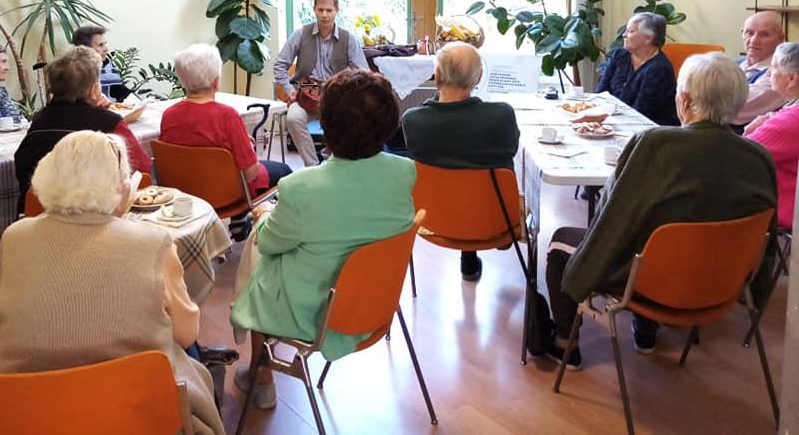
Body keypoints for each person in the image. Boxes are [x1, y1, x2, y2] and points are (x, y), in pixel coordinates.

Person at [545, 52, 776, 369]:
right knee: (661, 231)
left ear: (684, 100)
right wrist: (757, 293)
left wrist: (584, 272)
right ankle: (645, 332)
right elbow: (767, 241)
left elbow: (613, 218)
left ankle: (565, 345)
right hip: (721, 283)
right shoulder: (760, 158)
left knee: (565, 241)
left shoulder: (656, 144)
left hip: (649, 281)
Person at [0, 131, 224, 435]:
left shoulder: (14, 237)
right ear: (120, 185)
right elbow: (187, 333)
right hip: (133, 414)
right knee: (185, 353)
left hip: (22, 413)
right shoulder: (153, 242)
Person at [230, 69, 415, 409]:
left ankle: (262, 376)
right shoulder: (405, 171)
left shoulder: (301, 188)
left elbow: (270, 244)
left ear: (325, 124)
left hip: (316, 315)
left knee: (260, 257)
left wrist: (264, 215)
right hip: (377, 299)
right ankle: (261, 373)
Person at [402, 42, 519, 282]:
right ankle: (475, 251)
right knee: (489, 165)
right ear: (479, 77)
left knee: (450, 166)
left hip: (434, 219)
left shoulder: (412, 121)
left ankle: (469, 256)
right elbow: (511, 149)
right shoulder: (501, 115)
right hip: (495, 218)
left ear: (437, 76)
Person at [14, 46, 152, 210]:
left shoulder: (39, 121)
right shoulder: (109, 123)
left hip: (39, 214)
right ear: (93, 90)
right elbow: (142, 170)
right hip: (93, 216)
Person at [160, 43, 292, 193]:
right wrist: (248, 146)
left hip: (187, 192)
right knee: (284, 171)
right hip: (228, 193)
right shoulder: (227, 116)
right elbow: (250, 173)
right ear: (216, 82)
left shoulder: (169, 115)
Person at [273, 0, 369, 166]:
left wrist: (349, 94)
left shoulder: (348, 38)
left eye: (329, 10)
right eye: (320, 10)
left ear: (337, 11)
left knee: (350, 118)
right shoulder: (301, 34)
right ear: (314, 10)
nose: (324, 15)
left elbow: (363, 73)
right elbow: (279, 64)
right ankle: (312, 165)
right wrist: (289, 90)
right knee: (293, 118)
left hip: (336, 96)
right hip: (305, 95)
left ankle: (332, 161)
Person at [746, 41, 799, 230]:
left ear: (792, 78)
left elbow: (737, 156)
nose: (769, 72)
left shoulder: (791, 119)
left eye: (774, 66)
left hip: (784, 216)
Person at [597, 12, 678, 125]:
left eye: (630, 31)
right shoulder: (620, 55)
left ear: (648, 38)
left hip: (650, 129)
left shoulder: (659, 68)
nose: (624, 35)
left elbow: (641, 112)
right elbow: (601, 93)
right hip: (616, 122)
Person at [733, 11, 788, 128]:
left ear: (781, 39)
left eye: (764, 35)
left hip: (743, 138)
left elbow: (733, 109)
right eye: (749, 33)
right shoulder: (735, 64)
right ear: (742, 33)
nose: (754, 40)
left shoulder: (779, 75)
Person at [71, 24, 126, 101]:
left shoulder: (108, 64)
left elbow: (117, 90)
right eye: (100, 45)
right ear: (84, 49)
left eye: (105, 44)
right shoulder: (72, 72)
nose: (106, 49)